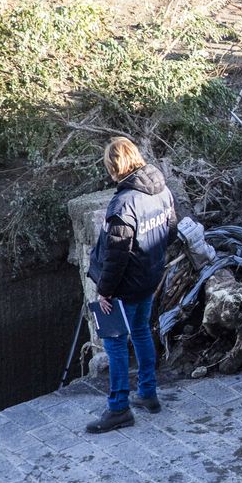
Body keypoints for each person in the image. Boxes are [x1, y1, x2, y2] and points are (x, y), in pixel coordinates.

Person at [86, 137, 177, 434]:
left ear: (114, 166)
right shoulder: (161, 189)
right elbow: (170, 232)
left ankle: (118, 408)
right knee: (141, 332)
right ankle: (148, 393)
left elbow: (116, 256)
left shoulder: (123, 204)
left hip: (122, 288)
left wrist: (104, 291)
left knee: (114, 343)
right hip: (149, 278)